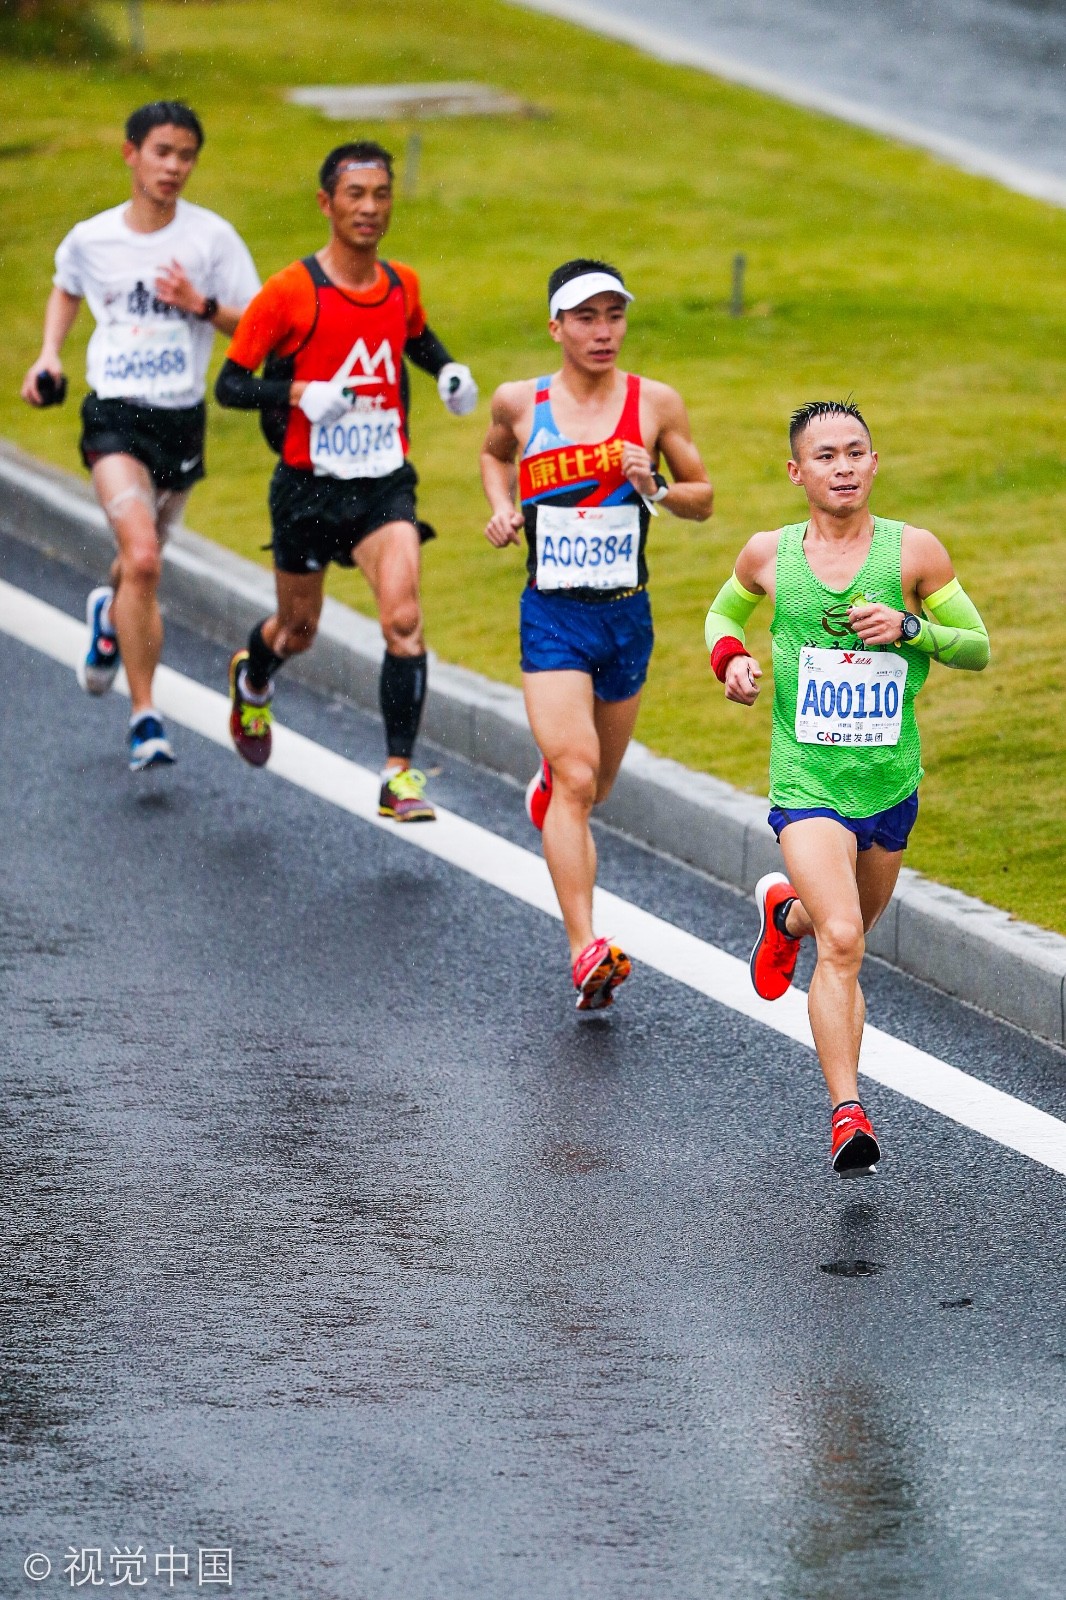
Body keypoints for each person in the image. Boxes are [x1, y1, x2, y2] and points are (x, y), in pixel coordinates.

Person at [704, 400, 990, 1174]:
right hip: (808, 780)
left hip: (890, 782)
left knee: (839, 926)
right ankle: (846, 1113)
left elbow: (978, 649)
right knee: (846, 942)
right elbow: (721, 613)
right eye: (825, 456)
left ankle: (784, 915)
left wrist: (911, 629)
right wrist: (728, 656)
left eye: (856, 453)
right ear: (798, 472)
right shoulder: (769, 554)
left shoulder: (913, 553)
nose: (843, 467)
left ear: (874, 462)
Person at [215, 140, 477, 822]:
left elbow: (413, 335)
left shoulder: (401, 283)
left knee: (404, 619)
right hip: (307, 487)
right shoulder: (289, 292)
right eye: (355, 194)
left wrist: (446, 370)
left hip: (382, 483)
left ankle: (399, 776)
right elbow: (231, 385)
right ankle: (255, 677)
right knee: (298, 628)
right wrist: (299, 391)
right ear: (326, 202)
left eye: (380, 194)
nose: (369, 207)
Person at [480, 259, 713, 1009]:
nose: (602, 331)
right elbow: (492, 454)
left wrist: (658, 489)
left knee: (593, 785)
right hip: (552, 614)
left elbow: (704, 498)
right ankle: (585, 948)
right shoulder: (522, 402)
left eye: (614, 315)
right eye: (585, 317)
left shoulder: (654, 403)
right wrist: (503, 507)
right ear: (556, 327)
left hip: (625, 614)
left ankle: (550, 787)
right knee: (578, 775)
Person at [20, 100, 260, 771]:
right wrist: (49, 355)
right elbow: (67, 286)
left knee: (137, 568)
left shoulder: (212, 240)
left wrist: (199, 306)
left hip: (179, 419)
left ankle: (108, 615)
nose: (175, 167)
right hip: (115, 414)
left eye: (186, 156)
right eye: (163, 152)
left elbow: (258, 327)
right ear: (132, 153)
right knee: (147, 558)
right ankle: (144, 716)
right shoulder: (93, 238)